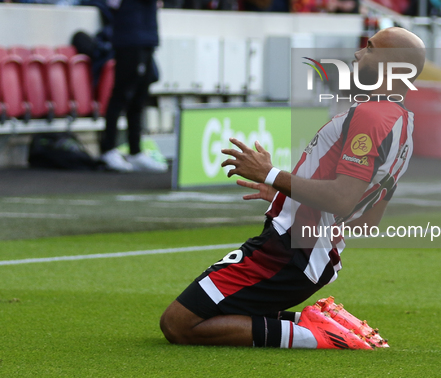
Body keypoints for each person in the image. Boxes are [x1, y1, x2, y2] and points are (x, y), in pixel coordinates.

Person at [159, 27, 426, 349]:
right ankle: (323, 323)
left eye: (369, 48)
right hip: (308, 251)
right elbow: (366, 220)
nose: (357, 55)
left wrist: (271, 174)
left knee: (178, 325)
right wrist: (289, 198)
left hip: (291, 251)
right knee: (210, 315)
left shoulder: (371, 116)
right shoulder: (402, 123)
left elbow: (343, 199)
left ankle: (319, 335)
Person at [99, 0, 192, 172]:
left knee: (138, 94)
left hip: (140, 34)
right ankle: (108, 148)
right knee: (123, 92)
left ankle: (135, 149)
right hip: (133, 34)